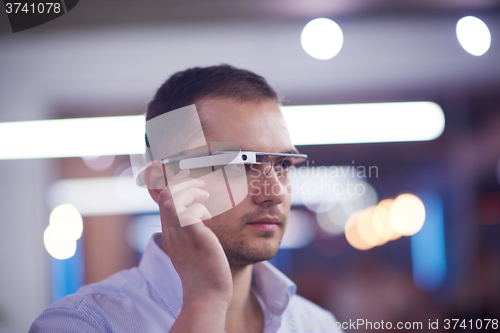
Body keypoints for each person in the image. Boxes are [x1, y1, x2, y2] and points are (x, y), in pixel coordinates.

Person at [30, 65, 343, 332]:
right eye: (238, 164)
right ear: (162, 183)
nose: (274, 192)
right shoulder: (83, 323)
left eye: (283, 164)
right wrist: (204, 303)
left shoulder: (316, 324)